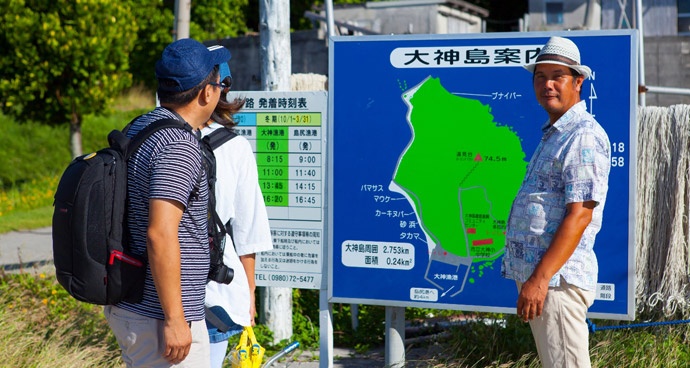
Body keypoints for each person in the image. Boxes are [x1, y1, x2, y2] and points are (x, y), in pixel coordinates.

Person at [104, 38, 230, 367]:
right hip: (160, 319)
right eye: (220, 83)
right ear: (207, 92)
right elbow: (160, 233)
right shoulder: (178, 146)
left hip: (134, 303)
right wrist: (175, 319)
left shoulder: (141, 127)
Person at [501, 36, 611, 368]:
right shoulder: (557, 133)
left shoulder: (582, 136)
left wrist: (539, 279)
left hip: (556, 282)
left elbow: (579, 216)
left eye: (557, 76)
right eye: (540, 76)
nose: (547, 84)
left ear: (578, 81)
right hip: (546, 279)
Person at [201, 61, 274, 367]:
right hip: (211, 293)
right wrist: (249, 297)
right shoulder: (234, 148)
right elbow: (246, 233)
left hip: (143, 295)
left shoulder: (147, 134)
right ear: (215, 92)